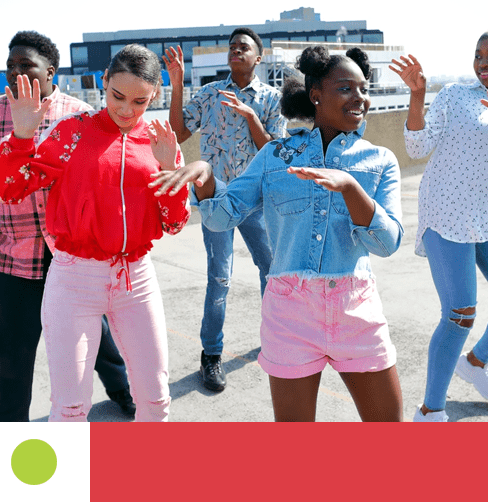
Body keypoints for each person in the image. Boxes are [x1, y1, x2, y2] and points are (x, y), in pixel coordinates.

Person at [152, 46, 405, 422]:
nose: (361, 98)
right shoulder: (275, 156)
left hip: (356, 310)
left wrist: (351, 188)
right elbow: (222, 217)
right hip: (289, 312)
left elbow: (386, 243)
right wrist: (205, 176)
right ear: (315, 93)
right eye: (346, 88)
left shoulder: (380, 161)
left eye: (363, 89)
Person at [0, 44, 190, 422]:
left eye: (140, 101)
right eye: (117, 96)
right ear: (103, 82)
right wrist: (21, 136)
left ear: (154, 95)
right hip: (74, 277)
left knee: (155, 399)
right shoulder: (71, 131)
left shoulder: (158, 142)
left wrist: (172, 174)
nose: (125, 109)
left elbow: (174, 223)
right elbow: (12, 188)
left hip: (136, 278)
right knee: (70, 407)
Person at [390, 26, 488, 422]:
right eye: (478, 55)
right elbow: (417, 148)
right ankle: (430, 411)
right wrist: (417, 96)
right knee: (459, 314)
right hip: (449, 214)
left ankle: (475, 362)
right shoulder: (455, 95)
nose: (482, 63)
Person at [0, 31, 134, 421]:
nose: (16, 74)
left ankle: (123, 391)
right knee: (13, 353)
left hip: (72, 253)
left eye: (26, 66)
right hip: (14, 253)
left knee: (98, 337)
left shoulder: (79, 115)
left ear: (50, 71)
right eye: (11, 67)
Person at [163, 27, 286, 392]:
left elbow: (275, 153)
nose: (236, 50)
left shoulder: (271, 98)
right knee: (219, 277)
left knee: (271, 270)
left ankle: (276, 338)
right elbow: (179, 131)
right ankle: (211, 354)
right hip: (216, 198)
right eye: (232, 47)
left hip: (255, 199)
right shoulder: (210, 92)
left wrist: (252, 118)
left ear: (258, 58)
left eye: (243, 47)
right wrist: (178, 83)